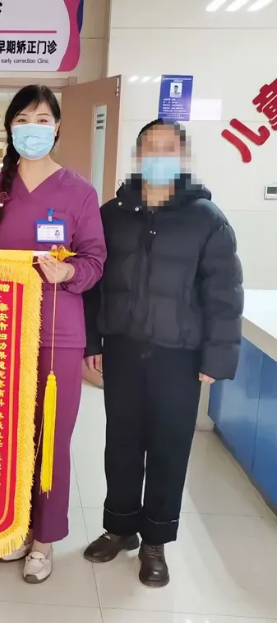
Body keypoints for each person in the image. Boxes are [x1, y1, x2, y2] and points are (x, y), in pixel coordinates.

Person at [83, 119, 243, 587]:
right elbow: (94, 286)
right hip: (123, 349)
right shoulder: (112, 214)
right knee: (122, 443)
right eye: (149, 148)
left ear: (183, 157)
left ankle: (155, 540)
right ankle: (120, 527)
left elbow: (224, 294)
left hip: (180, 356)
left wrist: (215, 359)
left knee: (169, 448)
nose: (158, 156)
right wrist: (93, 342)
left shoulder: (207, 219)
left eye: (168, 148)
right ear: (137, 157)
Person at [0, 85, 106, 583]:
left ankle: (44, 540)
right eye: (23, 120)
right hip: (1, 331)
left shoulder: (79, 191)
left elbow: (95, 259)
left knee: (52, 436)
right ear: (10, 128)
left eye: (43, 119)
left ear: (57, 127)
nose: (33, 129)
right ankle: (14, 525)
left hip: (57, 330)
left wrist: (68, 273)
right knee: (7, 434)